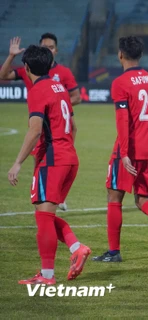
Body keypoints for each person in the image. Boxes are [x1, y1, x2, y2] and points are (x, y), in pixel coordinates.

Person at [91, 36, 148, 265]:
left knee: (114, 197)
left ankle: (113, 251)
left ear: (120, 54)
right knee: (143, 199)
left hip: (128, 150)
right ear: (140, 55)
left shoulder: (120, 83)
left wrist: (123, 153)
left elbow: (122, 121)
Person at [8, 45, 90, 285]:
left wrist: (17, 163)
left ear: (26, 67)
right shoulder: (60, 88)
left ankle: (46, 276)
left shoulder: (37, 90)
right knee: (45, 215)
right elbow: (73, 127)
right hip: (69, 159)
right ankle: (77, 247)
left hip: (52, 161)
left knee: (43, 219)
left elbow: (34, 130)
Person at [1, 34, 82, 212]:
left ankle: (51, 197)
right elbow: (3, 75)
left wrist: (52, 105)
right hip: (47, 131)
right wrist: (12, 55)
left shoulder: (61, 74)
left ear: (56, 50)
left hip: (49, 132)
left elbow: (77, 97)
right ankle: (49, 196)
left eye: (51, 47)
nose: (48, 50)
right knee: (41, 183)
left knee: (43, 207)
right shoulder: (42, 77)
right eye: (44, 47)